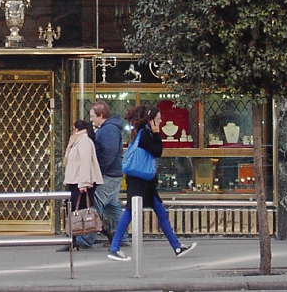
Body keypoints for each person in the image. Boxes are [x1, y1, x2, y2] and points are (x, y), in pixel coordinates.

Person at [106, 105, 197, 262]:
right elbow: (158, 151)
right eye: (158, 119)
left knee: (160, 212)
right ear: (151, 120)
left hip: (144, 181)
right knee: (129, 212)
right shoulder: (145, 134)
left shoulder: (142, 133)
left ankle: (176, 246)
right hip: (140, 181)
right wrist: (156, 134)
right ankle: (114, 248)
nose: (161, 121)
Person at [61, 119, 104, 251]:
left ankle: (105, 233)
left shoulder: (84, 140)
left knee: (82, 211)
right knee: (77, 211)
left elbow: (85, 162)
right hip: (75, 181)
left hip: (80, 182)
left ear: (75, 128)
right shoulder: (78, 140)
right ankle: (73, 240)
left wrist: (84, 183)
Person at [88, 101, 126, 244]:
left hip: (107, 175)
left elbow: (108, 153)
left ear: (101, 115)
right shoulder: (110, 128)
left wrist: (99, 172)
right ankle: (121, 237)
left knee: (95, 204)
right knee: (112, 206)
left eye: (93, 116)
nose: (91, 119)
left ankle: (87, 238)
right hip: (113, 173)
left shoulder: (108, 129)